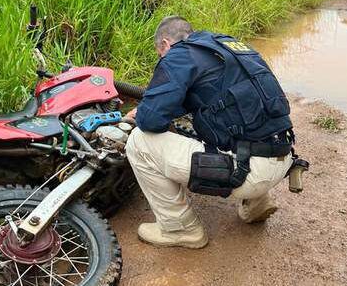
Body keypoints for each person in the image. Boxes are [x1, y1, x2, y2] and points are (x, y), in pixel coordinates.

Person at [124, 16, 295, 249]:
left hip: (251, 172)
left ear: (165, 44)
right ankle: (257, 203)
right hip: (282, 157)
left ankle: (180, 229)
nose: (161, 59)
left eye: (159, 54)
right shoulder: (226, 45)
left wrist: (143, 113)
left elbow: (150, 120)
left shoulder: (177, 55)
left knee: (139, 141)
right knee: (234, 124)